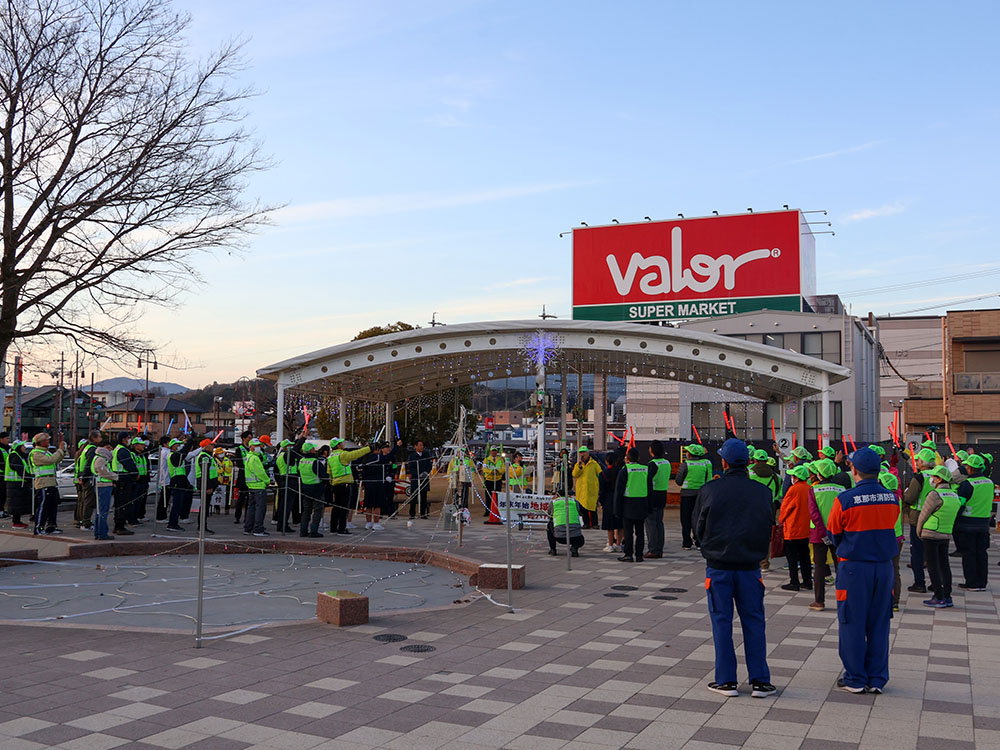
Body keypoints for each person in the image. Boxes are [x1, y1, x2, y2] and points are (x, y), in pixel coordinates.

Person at [693, 439, 775, 698]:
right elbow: (768, 525)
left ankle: (726, 680)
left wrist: (706, 546)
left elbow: (698, 527)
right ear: (749, 462)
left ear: (724, 462)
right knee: (754, 621)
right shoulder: (762, 492)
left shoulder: (710, 490)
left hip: (718, 566)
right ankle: (760, 680)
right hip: (751, 566)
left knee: (721, 621)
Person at [826, 447, 900, 694]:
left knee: (852, 622)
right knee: (879, 623)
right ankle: (877, 678)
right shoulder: (892, 497)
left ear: (854, 470)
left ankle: (855, 678)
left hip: (854, 568)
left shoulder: (845, 499)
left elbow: (834, 534)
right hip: (884, 567)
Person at [917, 464, 960, 608]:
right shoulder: (954, 495)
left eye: (935, 476)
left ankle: (938, 596)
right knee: (944, 565)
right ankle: (947, 596)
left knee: (933, 566)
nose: (932, 479)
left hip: (931, 533)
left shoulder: (935, 495)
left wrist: (919, 531)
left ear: (940, 479)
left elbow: (924, 515)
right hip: (945, 534)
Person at [954, 453, 993, 591]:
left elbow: (960, 504)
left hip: (967, 525)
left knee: (969, 554)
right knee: (982, 553)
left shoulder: (967, 484)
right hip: (983, 525)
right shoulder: (990, 483)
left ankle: (971, 582)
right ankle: (982, 582)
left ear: (970, 468)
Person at [807, 459, 842, 611]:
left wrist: (824, 535)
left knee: (820, 567)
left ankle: (819, 601)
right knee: (841, 566)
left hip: (819, 534)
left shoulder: (813, 490)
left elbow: (814, 515)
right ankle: (844, 599)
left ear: (819, 474)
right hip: (839, 533)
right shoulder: (841, 489)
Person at [902, 448, 937, 594]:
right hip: (935, 519)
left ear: (922, 462)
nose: (916, 462)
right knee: (934, 554)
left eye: (918, 460)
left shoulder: (919, 478)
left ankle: (919, 583)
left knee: (917, 552)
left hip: (918, 519)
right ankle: (935, 584)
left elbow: (910, 498)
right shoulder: (938, 476)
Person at [779, 465, 813, 592]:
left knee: (792, 558)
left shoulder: (793, 490)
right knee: (805, 557)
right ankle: (807, 581)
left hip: (792, 528)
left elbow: (786, 508)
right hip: (805, 528)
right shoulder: (810, 489)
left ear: (797, 477)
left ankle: (794, 582)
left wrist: (781, 521)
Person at [614, 447, 652, 563]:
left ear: (627, 458)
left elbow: (619, 491)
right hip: (642, 502)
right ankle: (639, 555)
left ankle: (628, 554)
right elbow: (650, 489)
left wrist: (617, 508)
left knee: (628, 532)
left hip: (628, 503)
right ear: (639, 458)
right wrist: (649, 506)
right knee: (640, 531)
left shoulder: (625, 469)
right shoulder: (646, 469)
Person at [329, 438, 372, 534]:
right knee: (344, 507)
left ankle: (333, 528)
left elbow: (329, 472)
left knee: (336, 507)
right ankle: (341, 529)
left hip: (336, 484)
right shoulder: (342, 454)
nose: (343, 444)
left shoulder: (331, 456)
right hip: (345, 484)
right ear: (338, 445)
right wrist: (369, 448)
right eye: (341, 443)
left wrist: (332, 483)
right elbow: (355, 454)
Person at [676, 444, 712, 550]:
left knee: (685, 518)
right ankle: (698, 541)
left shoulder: (685, 464)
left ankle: (687, 542)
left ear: (689, 454)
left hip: (686, 495)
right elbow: (708, 479)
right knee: (699, 518)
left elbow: (678, 481)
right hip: (700, 495)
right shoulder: (704, 464)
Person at [878, 469, 904, 611]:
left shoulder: (883, 499)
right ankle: (895, 602)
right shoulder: (897, 497)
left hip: (884, 538)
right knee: (894, 570)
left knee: (882, 570)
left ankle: (882, 600)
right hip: (897, 538)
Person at [30, 432, 65, 535]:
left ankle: (51, 526)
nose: (48, 441)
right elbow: (51, 460)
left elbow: (57, 459)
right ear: (41, 442)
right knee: (43, 507)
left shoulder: (46, 452)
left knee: (52, 506)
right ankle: (38, 528)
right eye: (47, 440)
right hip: (43, 482)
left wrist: (62, 451)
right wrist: (59, 449)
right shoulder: (36, 453)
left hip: (51, 482)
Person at [644, 441, 671, 558]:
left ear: (652, 450)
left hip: (653, 495)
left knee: (651, 524)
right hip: (663, 493)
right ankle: (659, 548)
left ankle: (653, 549)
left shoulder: (652, 464)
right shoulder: (666, 462)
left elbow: (647, 481)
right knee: (659, 523)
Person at [109, 431, 137, 536]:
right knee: (123, 505)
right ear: (123, 439)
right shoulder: (123, 451)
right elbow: (129, 465)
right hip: (124, 480)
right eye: (128, 438)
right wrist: (135, 474)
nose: (129, 440)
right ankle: (120, 527)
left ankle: (118, 526)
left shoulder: (117, 449)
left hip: (119, 479)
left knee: (119, 505)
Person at [164, 438, 195, 532]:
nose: (179, 446)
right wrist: (189, 443)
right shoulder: (173, 456)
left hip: (181, 481)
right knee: (176, 505)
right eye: (178, 444)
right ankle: (172, 524)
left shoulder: (177, 455)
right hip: (176, 481)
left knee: (179, 504)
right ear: (173, 446)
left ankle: (174, 523)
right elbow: (184, 452)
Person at [242, 438, 270, 537]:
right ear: (251, 447)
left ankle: (248, 528)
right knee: (260, 508)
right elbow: (260, 472)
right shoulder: (254, 458)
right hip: (258, 485)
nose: (258, 447)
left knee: (251, 508)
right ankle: (258, 529)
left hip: (251, 485)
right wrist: (268, 480)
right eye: (256, 445)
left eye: (259, 445)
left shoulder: (248, 457)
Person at [297, 443, 326, 538]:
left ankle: (303, 530)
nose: (315, 450)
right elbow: (323, 476)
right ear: (311, 450)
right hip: (317, 488)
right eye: (313, 448)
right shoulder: (316, 462)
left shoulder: (301, 461)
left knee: (306, 511)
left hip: (305, 488)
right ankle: (313, 531)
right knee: (318, 510)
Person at [74, 432, 101, 530]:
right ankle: (86, 523)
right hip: (88, 478)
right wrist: (84, 477)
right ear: (94, 438)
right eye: (99, 436)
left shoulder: (85, 448)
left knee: (83, 501)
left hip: (82, 477)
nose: (101, 438)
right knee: (88, 501)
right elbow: (89, 464)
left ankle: (81, 521)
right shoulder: (92, 449)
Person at [91, 444, 119, 540]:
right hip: (103, 486)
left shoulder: (100, 458)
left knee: (100, 511)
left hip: (103, 486)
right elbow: (104, 472)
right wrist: (116, 476)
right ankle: (102, 533)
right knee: (103, 511)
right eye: (109, 449)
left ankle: (99, 533)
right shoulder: (100, 459)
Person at [4, 440, 33, 528]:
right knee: (16, 504)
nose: (25, 448)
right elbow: (19, 469)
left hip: (17, 484)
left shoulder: (18, 456)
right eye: (23, 446)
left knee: (18, 504)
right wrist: (29, 478)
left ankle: (17, 521)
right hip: (15, 484)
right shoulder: (14, 456)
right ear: (18, 448)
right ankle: (16, 522)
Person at [572, 447, 602, 530]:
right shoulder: (578, 464)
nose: (582, 454)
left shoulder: (594, 464)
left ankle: (595, 523)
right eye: (581, 452)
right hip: (581, 489)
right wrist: (579, 467)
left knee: (592, 507)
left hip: (591, 489)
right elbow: (574, 474)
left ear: (588, 453)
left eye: (584, 452)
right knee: (583, 508)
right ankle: (586, 523)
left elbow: (599, 473)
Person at [599, 451, 624, 553]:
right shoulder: (621, 472)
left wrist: (601, 502)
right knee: (620, 523)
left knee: (609, 524)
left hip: (608, 499)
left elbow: (602, 490)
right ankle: (618, 544)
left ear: (606, 461)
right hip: (620, 498)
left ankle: (610, 545)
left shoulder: (603, 474)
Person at [406, 439, 434, 519]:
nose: (422, 447)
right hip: (415, 478)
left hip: (424, 478)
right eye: (420, 445)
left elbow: (429, 464)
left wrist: (426, 473)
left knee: (424, 496)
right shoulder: (412, 456)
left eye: (422, 445)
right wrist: (417, 474)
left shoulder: (426, 454)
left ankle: (423, 513)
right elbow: (411, 467)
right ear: (415, 446)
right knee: (413, 496)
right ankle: (412, 513)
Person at [232, 430, 253, 524]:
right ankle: (237, 516)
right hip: (243, 474)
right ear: (244, 439)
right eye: (248, 438)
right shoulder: (239, 449)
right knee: (241, 497)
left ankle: (247, 517)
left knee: (250, 499)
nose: (250, 439)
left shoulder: (252, 448)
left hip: (251, 475)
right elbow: (239, 462)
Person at [482, 446, 505, 518]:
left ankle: (497, 511)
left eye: (495, 451)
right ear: (490, 452)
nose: (494, 452)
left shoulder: (501, 459)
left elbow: (503, 468)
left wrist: (498, 471)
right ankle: (487, 511)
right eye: (492, 451)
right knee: (488, 496)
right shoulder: (486, 460)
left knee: (497, 496)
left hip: (498, 479)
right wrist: (490, 472)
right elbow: (484, 468)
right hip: (489, 479)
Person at [131, 437, 150, 523]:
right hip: (136, 481)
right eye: (141, 444)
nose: (143, 446)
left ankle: (138, 516)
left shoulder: (142, 454)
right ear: (135, 445)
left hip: (143, 480)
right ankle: (132, 518)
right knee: (134, 501)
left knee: (140, 501)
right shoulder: (133, 455)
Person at [0, 431, 8, 519]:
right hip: (1, 474)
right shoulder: (1, 449)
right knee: (1, 494)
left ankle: (2, 510)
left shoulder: (7, 448)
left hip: (4, 475)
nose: (8, 440)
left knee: (3, 494)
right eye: (7, 438)